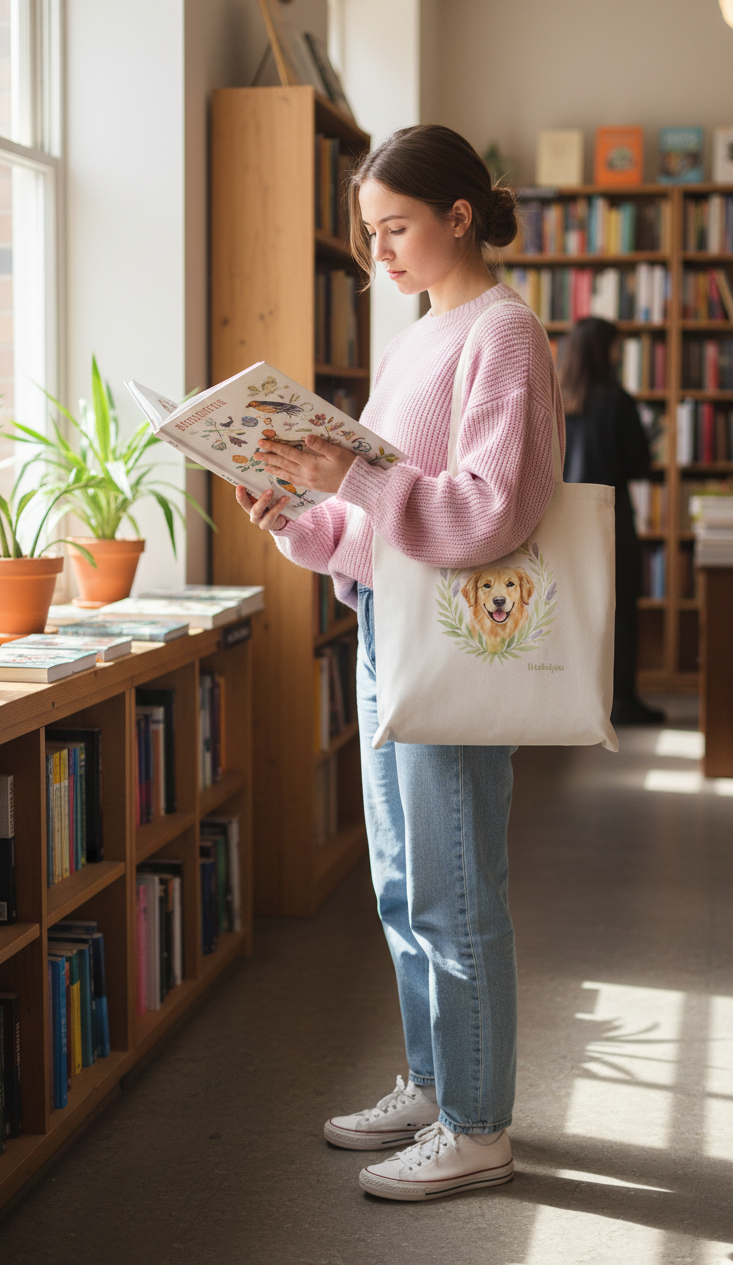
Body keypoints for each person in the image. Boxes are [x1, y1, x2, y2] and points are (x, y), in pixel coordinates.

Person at [235, 125, 564, 1202]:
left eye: (395, 228)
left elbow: (487, 513)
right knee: (402, 884)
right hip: (387, 623)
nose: (377, 252)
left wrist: (353, 478)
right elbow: (378, 523)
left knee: (456, 889)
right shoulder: (418, 338)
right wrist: (297, 513)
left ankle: (478, 1127)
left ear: (459, 218)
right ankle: (432, 1083)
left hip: (453, 638)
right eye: (367, 233)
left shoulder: (503, 333)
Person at [556, 317, 664, 726]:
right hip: (611, 519)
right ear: (605, 351)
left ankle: (575, 698)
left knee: (571, 608)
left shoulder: (557, 400)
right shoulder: (618, 400)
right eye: (616, 346)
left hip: (565, 521)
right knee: (621, 609)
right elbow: (640, 466)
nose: (619, 354)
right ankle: (622, 702)